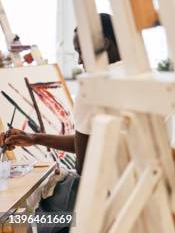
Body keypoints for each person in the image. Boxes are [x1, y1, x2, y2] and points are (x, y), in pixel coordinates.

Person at [1, 12, 120, 175]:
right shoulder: (143, 78)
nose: (79, 61)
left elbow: (83, 169)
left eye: (81, 51)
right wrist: (35, 138)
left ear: (104, 44)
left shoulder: (92, 88)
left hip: (106, 193)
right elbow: (88, 143)